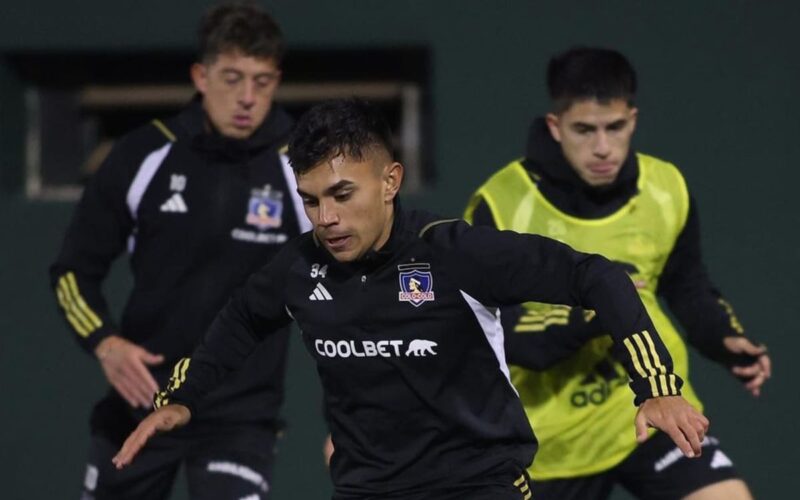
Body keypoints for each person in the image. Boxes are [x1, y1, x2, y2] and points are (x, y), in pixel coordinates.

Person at [112, 98, 709, 500]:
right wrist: (182, 397)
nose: (328, 218)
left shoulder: (454, 253)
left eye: (343, 194)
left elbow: (596, 277)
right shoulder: (297, 267)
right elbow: (242, 319)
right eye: (312, 199)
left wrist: (655, 386)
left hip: (481, 488)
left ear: (390, 181)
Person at [464, 47, 771, 500]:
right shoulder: (501, 203)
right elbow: (492, 331)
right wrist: (599, 312)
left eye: (615, 127)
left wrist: (722, 336)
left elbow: (685, 284)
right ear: (555, 127)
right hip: (548, 442)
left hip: (654, 407)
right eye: (584, 130)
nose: (602, 148)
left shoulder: (666, 188)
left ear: (633, 118)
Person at [49, 2, 310, 498]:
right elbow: (71, 272)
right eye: (232, 78)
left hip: (241, 420)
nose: (247, 98)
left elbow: (358, 284)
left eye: (263, 81)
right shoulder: (143, 154)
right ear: (201, 75)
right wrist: (105, 343)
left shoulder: (302, 166)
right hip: (139, 405)